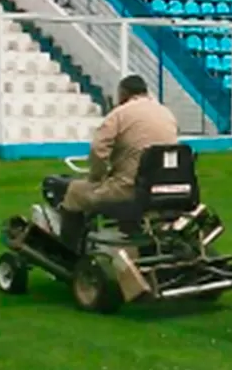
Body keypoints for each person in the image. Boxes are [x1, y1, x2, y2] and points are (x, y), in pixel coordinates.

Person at [58, 74, 179, 248]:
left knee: (75, 191)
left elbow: (98, 150)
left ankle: (68, 252)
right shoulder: (166, 113)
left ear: (123, 93)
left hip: (131, 189)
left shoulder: (120, 114)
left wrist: (96, 178)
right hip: (163, 187)